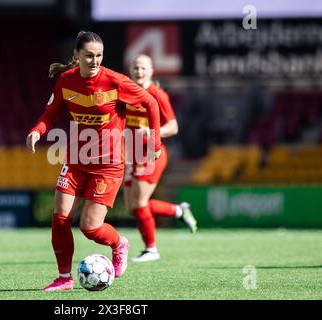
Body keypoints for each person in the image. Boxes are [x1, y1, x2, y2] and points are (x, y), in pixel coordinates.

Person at [26, 32, 162, 291]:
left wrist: (155, 143)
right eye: (89, 55)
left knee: (90, 227)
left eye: (99, 55)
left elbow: (151, 103)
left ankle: (119, 243)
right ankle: (64, 278)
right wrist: (37, 131)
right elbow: (50, 113)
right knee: (60, 217)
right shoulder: (66, 80)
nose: (95, 60)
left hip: (109, 165)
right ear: (76, 56)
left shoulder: (115, 81)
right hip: (77, 160)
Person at [123, 54, 197, 263]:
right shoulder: (127, 93)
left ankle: (151, 249)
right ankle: (178, 210)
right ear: (131, 70)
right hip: (132, 155)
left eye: (143, 68)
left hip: (151, 154)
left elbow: (173, 126)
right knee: (132, 207)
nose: (139, 71)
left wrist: (151, 133)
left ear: (152, 71)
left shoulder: (157, 95)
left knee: (139, 203)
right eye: (136, 67)